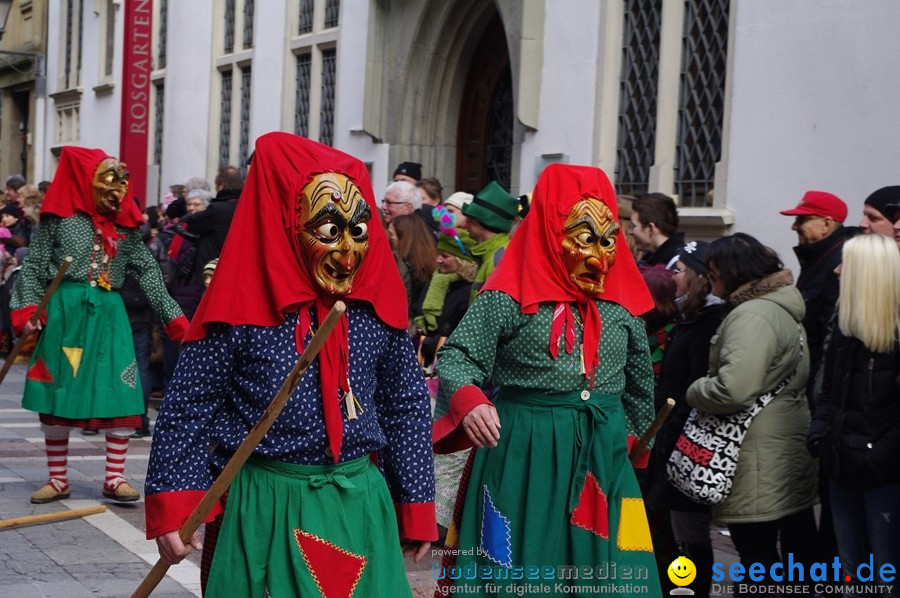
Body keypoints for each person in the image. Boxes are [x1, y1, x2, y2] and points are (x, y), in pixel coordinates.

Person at [145, 132, 436, 596]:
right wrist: (174, 503)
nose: (347, 251)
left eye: (357, 229)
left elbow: (405, 405)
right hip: (264, 506)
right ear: (289, 222)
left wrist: (415, 500)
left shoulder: (376, 310)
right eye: (327, 229)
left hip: (359, 502)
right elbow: (188, 408)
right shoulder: (239, 306)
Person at [433, 163, 661, 597]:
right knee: (520, 570)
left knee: (615, 574)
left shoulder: (622, 305)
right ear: (554, 234)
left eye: (608, 239)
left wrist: (631, 443)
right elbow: (458, 356)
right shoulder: (506, 296)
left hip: (603, 455)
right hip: (524, 449)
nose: (599, 255)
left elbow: (639, 384)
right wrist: (470, 400)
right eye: (584, 238)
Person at [9, 146, 188, 504]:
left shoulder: (124, 226)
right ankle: (58, 479)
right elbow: (34, 267)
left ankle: (115, 477)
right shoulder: (57, 220)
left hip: (109, 314)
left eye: (121, 182)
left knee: (118, 387)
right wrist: (27, 309)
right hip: (66, 313)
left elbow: (148, 271)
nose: (117, 191)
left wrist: (174, 317)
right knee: (59, 391)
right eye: (108, 180)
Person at [686, 233, 818, 577]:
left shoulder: (752, 316)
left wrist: (695, 390)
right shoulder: (778, 307)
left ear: (734, 270)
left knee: (757, 555)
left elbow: (732, 389)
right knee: (793, 554)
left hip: (756, 454)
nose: (707, 272)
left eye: (714, 268)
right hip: (781, 446)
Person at [807, 234, 900, 597]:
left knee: (886, 577)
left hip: (884, 477)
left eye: (847, 263)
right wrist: (821, 435)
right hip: (841, 466)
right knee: (852, 574)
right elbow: (828, 391)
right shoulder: (847, 327)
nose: (838, 270)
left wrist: (879, 454)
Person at [645, 240, 723, 598]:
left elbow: (692, 387)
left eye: (678, 271)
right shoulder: (689, 319)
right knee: (675, 535)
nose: (672, 276)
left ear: (697, 278)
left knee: (687, 540)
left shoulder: (709, 323)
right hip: (672, 440)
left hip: (688, 445)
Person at [779, 190, 853, 403]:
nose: (794, 226)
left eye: (801, 219)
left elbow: (826, 334)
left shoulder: (839, 262)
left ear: (827, 224)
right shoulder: (817, 255)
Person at [460, 180, 518, 302]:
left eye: (470, 220)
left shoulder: (499, 257)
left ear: (482, 223)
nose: (465, 225)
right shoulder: (490, 253)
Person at [388, 214, 437, 321]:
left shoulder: (403, 268)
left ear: (403, 238)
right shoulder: (430, 264)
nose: (388, 238)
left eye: (391, 234)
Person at [630, 193, 684, 267]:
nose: (630, 232)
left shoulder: (680, 264)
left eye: (634, 226)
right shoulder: (648, 261)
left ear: (651, 228)